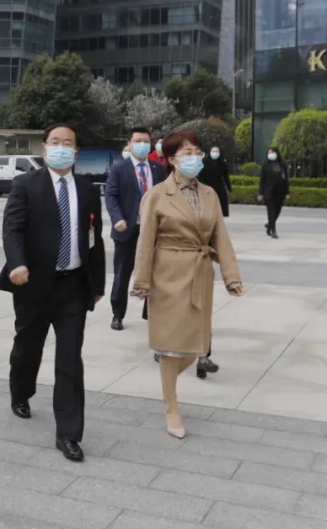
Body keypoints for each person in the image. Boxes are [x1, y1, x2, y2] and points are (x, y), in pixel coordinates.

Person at [0, 124, 106, 463]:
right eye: (55, 142)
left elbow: (94, 237)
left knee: (70, 358)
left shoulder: (87, 189)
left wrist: (98, 283)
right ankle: (21, 391)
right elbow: (12, 228)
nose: (61, 147)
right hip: (32, 283)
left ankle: (68, 433)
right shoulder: (25, 184)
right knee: (28, 347)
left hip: (73, 285)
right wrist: (16, 263)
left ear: (76, 151)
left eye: (67, 142)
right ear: (45, 148)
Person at [131, 129, 244, 439]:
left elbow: (221, 237)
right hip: (167, 275)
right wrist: (141, 281)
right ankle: (171, 405)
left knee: (197, 347)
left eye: (197, 152)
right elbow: (145, 241)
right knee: (170, 346)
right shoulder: (157, 194)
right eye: (187, 153)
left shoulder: (209, 194)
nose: (194, 158)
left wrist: (231, 277)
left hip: (200, 274)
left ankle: (168, 387)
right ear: (171, 159)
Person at [105, 127, 166, 331]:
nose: (142, 144)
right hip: (126, 230)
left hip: (153, 230)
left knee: (155, 273)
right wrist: (117, 218)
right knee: (122, 273)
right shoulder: (119, 168)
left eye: (146, 141)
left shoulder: (158, 169)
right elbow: (111, 195)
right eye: (138, 141)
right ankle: (117, 314)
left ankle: (150, 313)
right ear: (129, 144)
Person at [259, 147, 291, 239]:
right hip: (268, 192)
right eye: (269, 153)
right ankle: (273, 230)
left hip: (280, 192)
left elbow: (286, 179)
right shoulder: (265, 165)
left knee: (277, 210)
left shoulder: (282, 165)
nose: (271, 154)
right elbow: (262, 180)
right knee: (271, 212)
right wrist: (260, 193)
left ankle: (270, 225)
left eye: (272, 152)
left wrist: (287, 191)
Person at [198, 145, 232, 217]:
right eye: (213, 151)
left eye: (217, 151)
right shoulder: (204, 162)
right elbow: (200, 176)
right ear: (210, 152)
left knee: (222, 199)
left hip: (219, 185)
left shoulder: (223, 164)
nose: (215, 153)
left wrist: (229, 189)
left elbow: (226, 177)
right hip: (206, 185)